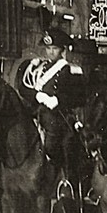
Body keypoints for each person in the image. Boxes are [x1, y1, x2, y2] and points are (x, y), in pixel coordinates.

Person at [18, 28, 84, 200]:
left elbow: (78, 95)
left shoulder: (71, 70)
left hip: (59, 115)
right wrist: (37, 96)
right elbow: (25, 86)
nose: (50, 52)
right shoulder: (39, 66)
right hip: (37, 112)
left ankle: (65, 181)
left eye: (55, 48)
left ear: (62, 50)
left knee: (63, 144)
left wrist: (58, 100)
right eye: (48, 48)